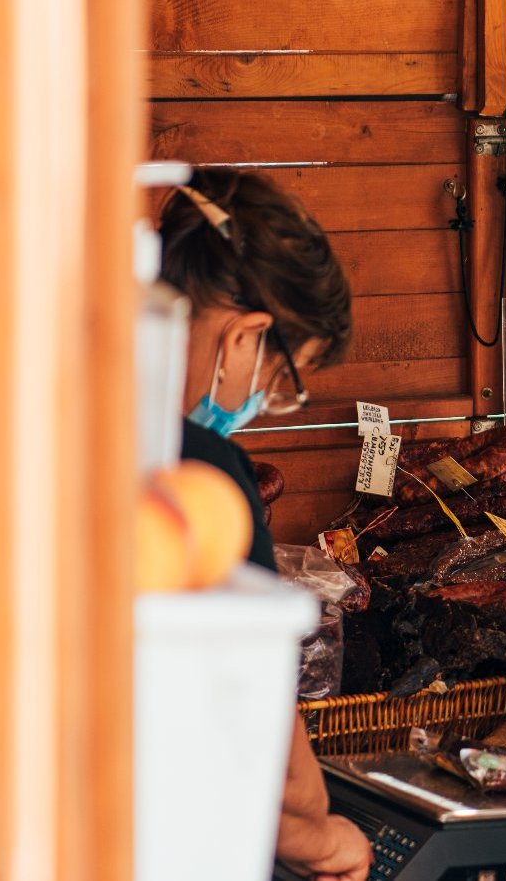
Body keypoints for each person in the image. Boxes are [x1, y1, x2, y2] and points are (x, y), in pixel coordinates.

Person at [158, 169, 371, 881]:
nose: (262, 403)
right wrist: (328, 839)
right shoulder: (204, 472)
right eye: (283, 383)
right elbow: (276, 773)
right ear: (248, 333)